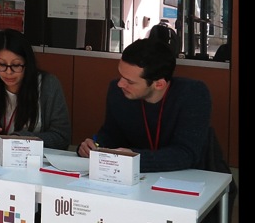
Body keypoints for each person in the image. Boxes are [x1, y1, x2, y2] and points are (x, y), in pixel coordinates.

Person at [77, 36, 211, 172]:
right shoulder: (118, 92)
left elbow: (186, 154)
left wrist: (136, 158)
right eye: (121, 76)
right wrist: (94, 146)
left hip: (193, 177)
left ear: (159, 84)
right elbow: (112, 135)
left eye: (130, 81)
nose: (120, 84)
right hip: (137, 177)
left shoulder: (192, 94)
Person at [0, 29, 71, 150]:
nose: (8, 72)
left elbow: (62, 137)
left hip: (32, 157)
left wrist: (23, 138)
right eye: (2, 65)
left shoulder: (48, 85)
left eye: (16, 65)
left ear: (27, 64)